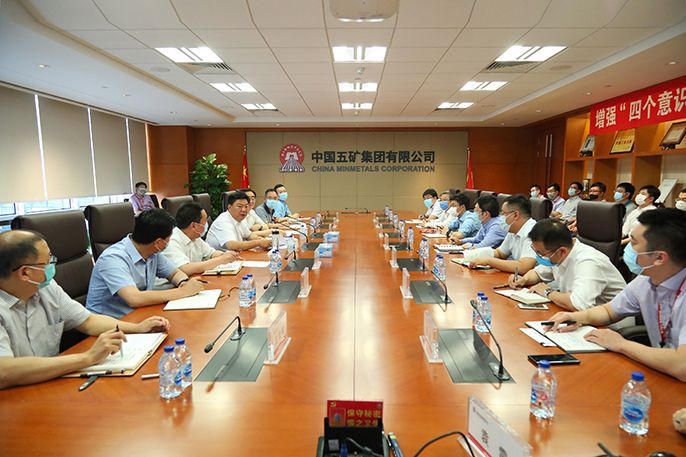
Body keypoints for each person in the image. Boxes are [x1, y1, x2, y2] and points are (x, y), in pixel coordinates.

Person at [0, 230, 170, 389]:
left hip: (51, 382)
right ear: (25, 273)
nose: (53, 265)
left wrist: (138, 328)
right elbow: (4, 371)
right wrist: (88, 357)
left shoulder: (47, 288)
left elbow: (88, 321)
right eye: (48, 262)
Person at [545, 209, 686, 382]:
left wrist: (621, 344)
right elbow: (609, 311)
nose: (628, 248)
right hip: (662, 374)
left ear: (659, 258)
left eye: (634, 243)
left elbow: (682, 366)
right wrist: (577, 317)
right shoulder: (646, 280)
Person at [86, 209, 204, 318]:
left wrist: (183, 283)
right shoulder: (113, 258)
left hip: (140, 314)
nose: (169, 242)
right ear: (158, 242)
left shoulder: (152, 253)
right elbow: (134, 298)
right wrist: (182, 292)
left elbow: (174, 273)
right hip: (110, 325)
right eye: (168, 239)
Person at [508, 219, 626, 311]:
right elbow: (539, 273)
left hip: (612, 324)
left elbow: (578, 304)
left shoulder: (588, 261)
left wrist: (547, 292)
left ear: (562, 251)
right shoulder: (557, 253)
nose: (539, 257)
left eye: (542, 254)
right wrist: (523, 279)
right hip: (580, 315)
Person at [162, 202, 241, 276]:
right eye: (204, 222)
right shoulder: (172, 240)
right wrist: (220, 260)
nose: (206, 224)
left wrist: (227, 255)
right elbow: (185, 268)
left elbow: (211, 253)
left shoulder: (195, 237)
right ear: (194, 226)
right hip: (173, 285)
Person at [468, 195, 537, 274]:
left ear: (515, 215)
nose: (501, 218)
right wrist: (473, 254)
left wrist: (489, 261)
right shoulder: (513, 230)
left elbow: (523, 267)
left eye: (504, 214)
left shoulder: (532, 232)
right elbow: (500, 253)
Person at [206, 191, 274, 251]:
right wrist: (258, 243)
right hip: (220, 258)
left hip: (235, 256)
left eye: (246, 206)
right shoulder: (223, 221)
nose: (244, 210)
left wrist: (262, 240)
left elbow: (249, 235)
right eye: (239, 206)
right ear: (229, 207)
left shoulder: (240, 218)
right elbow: (232, 245)